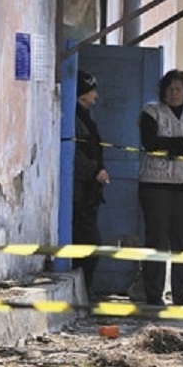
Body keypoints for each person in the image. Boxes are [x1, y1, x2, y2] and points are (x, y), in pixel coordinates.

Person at [138, 69, 183, 307]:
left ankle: (182, 293)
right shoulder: (151, 112)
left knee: (182, 239)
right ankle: (154, 293)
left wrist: (169, 146)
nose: (173, 93)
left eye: (178, 88)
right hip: (155, 183)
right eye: (169, 88)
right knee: (156, 238)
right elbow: (149, 142)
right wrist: (182, 144)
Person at [73, 70, 110, 295]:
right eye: (92, 89)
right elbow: (74, 153)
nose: (96, 94)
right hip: (80, 193)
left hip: (88, 194)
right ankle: (82, 294)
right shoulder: (76, 119)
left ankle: (83, 293)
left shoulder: (85, 117)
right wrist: (94, 171)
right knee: (89, 243)